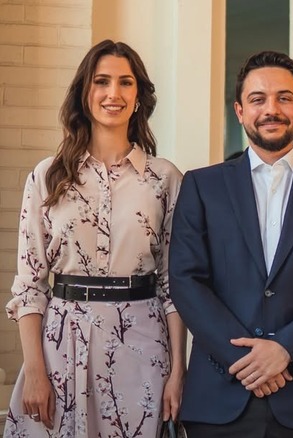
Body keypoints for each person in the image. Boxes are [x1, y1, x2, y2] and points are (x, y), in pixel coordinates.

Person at [169, 51, 293, 437]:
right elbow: (186, 280)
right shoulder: (201, 186)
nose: (271, 109)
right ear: (240, 111)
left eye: (284, 98)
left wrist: (284, 349)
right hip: (219, 395)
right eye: (258, 99)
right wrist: (247, 360)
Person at [3, 40, 186, 437]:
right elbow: (30, 285)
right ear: (85, 92)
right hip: (60, 346)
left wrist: (178, 371)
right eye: (101, 81)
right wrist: (35, 370)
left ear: (139, 97)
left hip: (143, 348)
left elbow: (174, 285)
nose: (113, 93)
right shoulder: (47, 175)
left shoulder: (165, 179)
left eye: (126, 83)